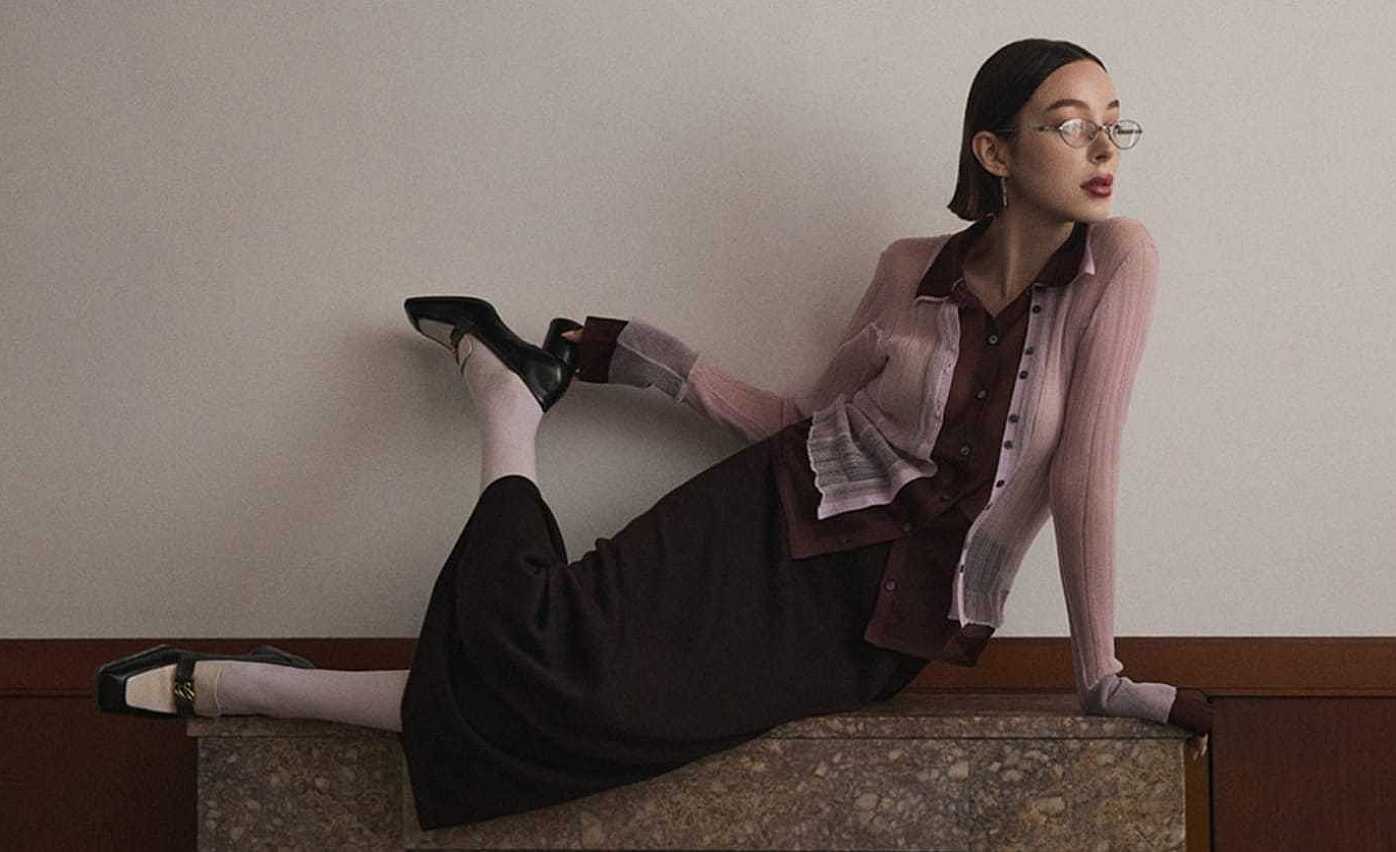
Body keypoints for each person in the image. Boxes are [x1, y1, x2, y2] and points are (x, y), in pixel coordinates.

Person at [95, 38, 1213, 831]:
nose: (1103, 144)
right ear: (994, 151)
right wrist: (656, 362)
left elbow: (1086, 475)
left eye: (1112, 121)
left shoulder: (1119, 262)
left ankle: (503, 405)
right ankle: (240, 680)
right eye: (1069, 122)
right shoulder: (904, 270)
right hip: (771, 509)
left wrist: (1100, 677)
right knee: (544, 650)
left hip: (877, 623)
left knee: (567, 696)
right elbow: (803, 421)